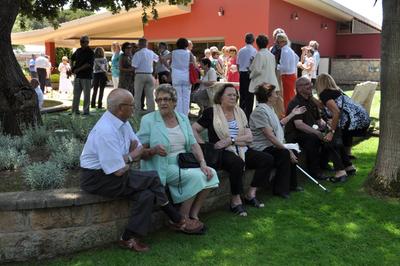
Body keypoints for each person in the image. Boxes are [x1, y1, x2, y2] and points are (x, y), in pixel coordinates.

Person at [80, 89, 204, 252]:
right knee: (152, 178)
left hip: (112, 174)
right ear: (120, 108)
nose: (135, 107)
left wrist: (130, 156)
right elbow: (119, 169)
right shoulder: (106, 131)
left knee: (147, 195)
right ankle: (177, 218)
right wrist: (130, 157)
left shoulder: (122, 123)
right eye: (132, 105)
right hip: (98, 179)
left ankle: (127, 238)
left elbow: (138, 147)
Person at [137, 84, 219, 227]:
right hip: (161, 165)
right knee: (198, 177)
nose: (162, 103)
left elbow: (193, 143)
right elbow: (139, 150)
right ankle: (182, 217)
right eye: (159, 100)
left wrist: (202, 163)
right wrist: (154, 150)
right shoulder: (148, 120)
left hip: (183, 162)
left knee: (210, 172)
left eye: (166, 99)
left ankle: (194, 213)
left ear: (174, 102)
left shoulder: (182, 118)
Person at [192, 84, 274, 216]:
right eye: (229, 95)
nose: (233, 97)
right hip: (222, 151)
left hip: (241, 148)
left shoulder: (240, 112)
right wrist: (204, 146)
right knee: (237, 163)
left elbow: (249, 137)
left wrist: (231, 140)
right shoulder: (211, 112)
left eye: (235, 95)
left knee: (267, 159)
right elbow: (193, 129)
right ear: (220, 97)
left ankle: (250, 194)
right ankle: (235, 200)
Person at [250, 83, 305, 198]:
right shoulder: (260, 111)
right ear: (268, 96)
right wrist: (286, 149)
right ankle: (280, 189)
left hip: (271, 145)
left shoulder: (269, 108)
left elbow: (278, 125)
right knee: (285, 153)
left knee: (292, 152)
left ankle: (291, 185)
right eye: (275, 93)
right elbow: (269, 136)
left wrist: (292, 114)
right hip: (262, 148)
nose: (277, 96)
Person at [316, 73, 369, 178]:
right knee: (338, 142)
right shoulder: (337, 92)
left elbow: (336, 112)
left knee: (331, 141)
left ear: (320, 84)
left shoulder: (325, 94)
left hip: (353, 122)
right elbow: (324, 105)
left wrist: (332, 132)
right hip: (362, 120)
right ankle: (349, 167)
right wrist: (311, 98)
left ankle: (340, 171)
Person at [161, 38, 194, 115]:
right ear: (186, 45)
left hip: (176, 76)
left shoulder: (174, 53)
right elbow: (194, 64)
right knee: (186, 97)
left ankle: (178, 115)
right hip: (186, 77)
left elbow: (163, 59)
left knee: (178, 96)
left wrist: (169, 67)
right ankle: (185, 115)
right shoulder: (189, 53)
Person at [132, 38, 159, 114]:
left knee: (137, 95)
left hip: (139, 75)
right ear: (146, 44)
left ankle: (137, 111)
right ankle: (151, 111)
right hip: (149, 74)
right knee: (150, 95)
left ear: (139, 44)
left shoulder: (137, 54)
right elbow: (157, 59)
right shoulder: (151, 52)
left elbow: (134, 66)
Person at [71, 35, 95, 115]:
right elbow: (72, 58)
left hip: (86, 76)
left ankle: (86, 111)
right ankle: (74, 110)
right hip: (78, 76)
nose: (81, 43)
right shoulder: (78, 50)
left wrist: (78, 69)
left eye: (83, 42)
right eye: (80, 41)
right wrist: (72, 68)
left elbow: (88, 64)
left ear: (87, 42)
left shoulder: (90, 52)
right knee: (76, 94)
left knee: (86, 95)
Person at [276, 33, 299, 110]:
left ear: (283, 42)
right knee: (291, 96)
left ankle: (289, 114)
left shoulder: (284, 50)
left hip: (287, 76)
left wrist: (277, 66)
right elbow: (297, 58)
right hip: (292, 75)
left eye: (278, 42)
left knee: (287, 98)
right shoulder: (290, 49)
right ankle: (291, 113)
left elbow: (285, 67)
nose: (277, 44)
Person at [237, 33, 257, 119]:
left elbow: (237, 64)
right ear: (253, 41)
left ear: (245, 40)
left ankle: (241, 114)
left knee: (242, 95)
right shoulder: (254, 51)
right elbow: (255, 64)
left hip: (242, 73)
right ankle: (248, 115)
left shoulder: (241, 50)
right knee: (250, 96)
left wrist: (240, 72)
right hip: (250, 74)